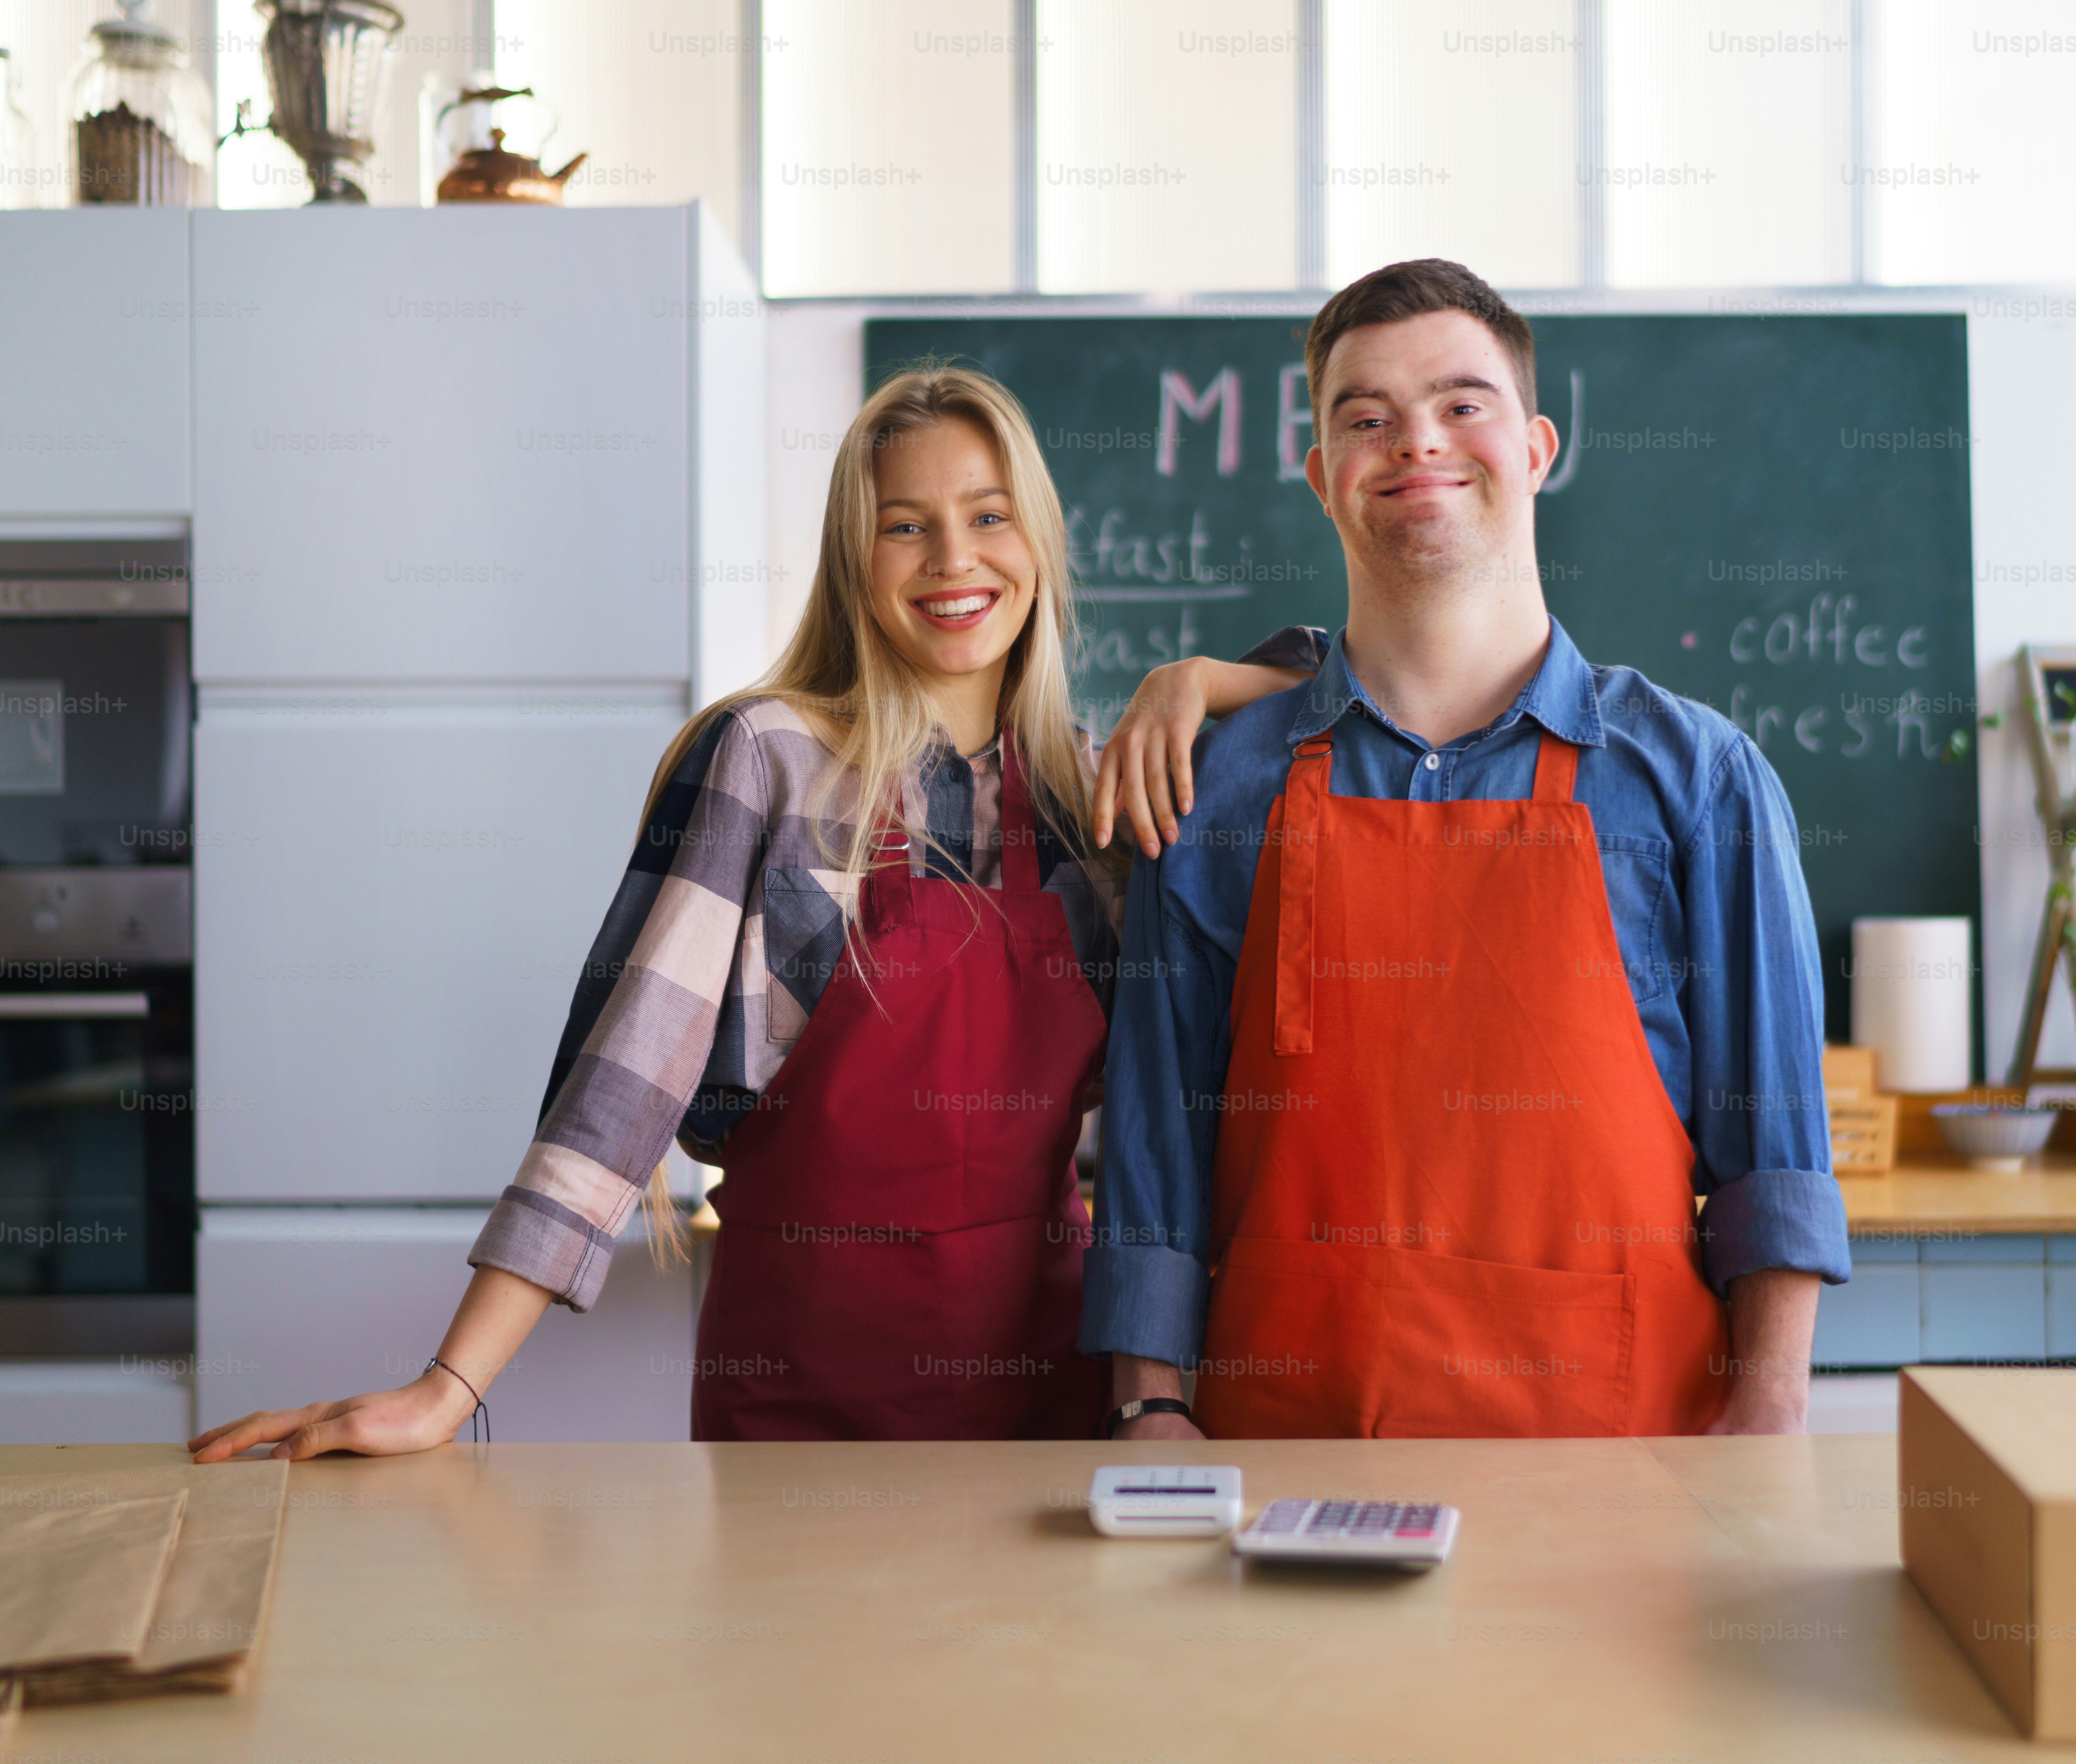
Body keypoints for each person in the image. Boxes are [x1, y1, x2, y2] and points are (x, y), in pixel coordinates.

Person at [192, 365, 1318, 1457]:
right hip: (802, 1389)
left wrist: (1200, 682)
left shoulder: (1093, 798)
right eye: (905, 527)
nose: (955, 560)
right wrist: (450, 1388)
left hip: (1048, 1392)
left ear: (1038, 544)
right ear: (853, 559)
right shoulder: (769, 760)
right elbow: (620, 1085)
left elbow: (1350, 691)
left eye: (989, 516)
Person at [1085, 260, 1852, 1443]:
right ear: (1322, 479)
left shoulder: (1700, 780)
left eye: (1461, 405)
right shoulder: (1214, 788)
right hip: (1291, 1467)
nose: (1416, 444)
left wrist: (1770, 1406)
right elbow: (1156, 1139)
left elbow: (1776, 1150)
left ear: (1537, 450)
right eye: (1366, 419)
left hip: (1622, 1476)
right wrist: (1149, 1405)